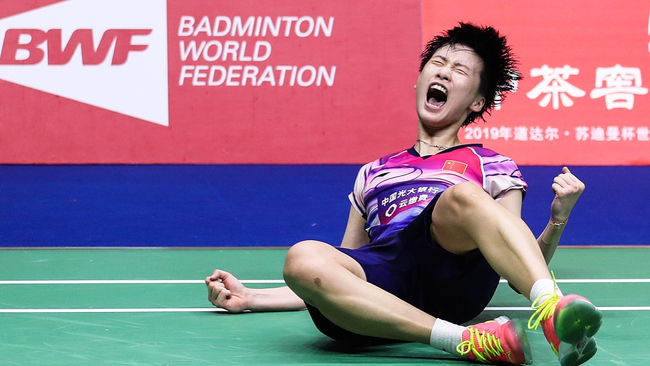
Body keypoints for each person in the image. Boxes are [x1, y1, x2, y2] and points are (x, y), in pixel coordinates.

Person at [206, 23, 601, 366]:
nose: (444, 73)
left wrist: (557, 220)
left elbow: (516, 271)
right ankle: (465, 342)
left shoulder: (492, 165)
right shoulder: (373, 172)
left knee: (464, 197)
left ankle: (552, 310)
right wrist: (253, 297)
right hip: (386, 286)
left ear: (478, 102)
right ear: (419, 81)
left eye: (459, 69)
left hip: (453, 273)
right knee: (303, 255)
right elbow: (343, 273)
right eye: (438, 64)